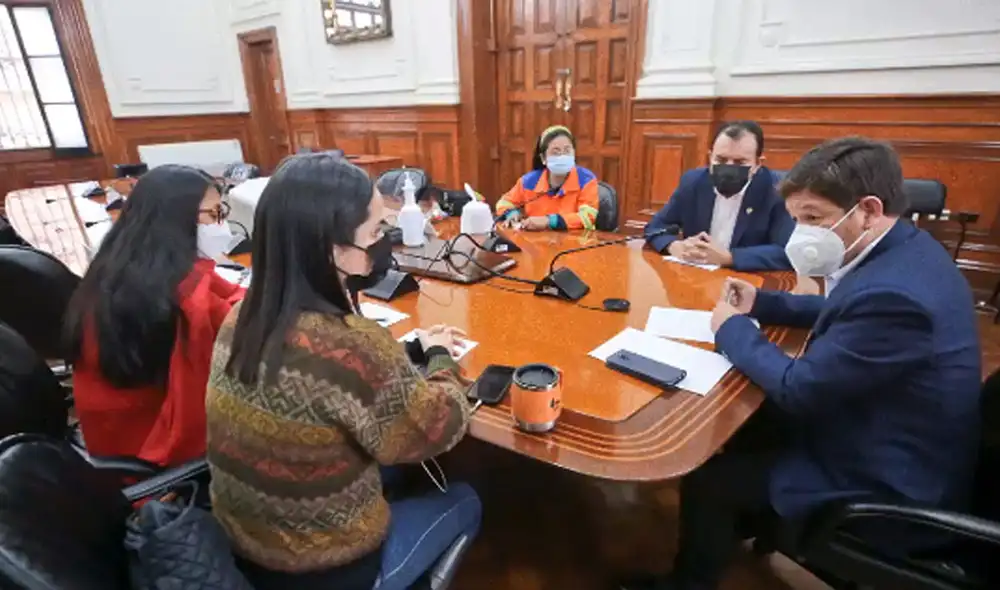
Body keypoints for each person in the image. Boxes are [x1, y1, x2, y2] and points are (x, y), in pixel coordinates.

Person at [622, 137, 982, 590]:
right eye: (797, 220)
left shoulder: (896, 296)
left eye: (813, 219)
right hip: (886, 430)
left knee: (711, 479)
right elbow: (847, 310)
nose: (801, 234)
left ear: (868, 209)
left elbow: (799, 389)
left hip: (886, 481)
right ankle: (731, 533)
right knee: (742, 423)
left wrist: (731, 328)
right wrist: (762, 303)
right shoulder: (906, 250)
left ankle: (688, 581)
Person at [206, 153, 481, 590]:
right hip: (326, 571)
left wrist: (397, 358)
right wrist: (441, 360)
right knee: (466, 499)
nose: (384, 240)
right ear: (329, 247)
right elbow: (438, 428)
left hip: (242, 548)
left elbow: (326, 388)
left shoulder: (240, 317)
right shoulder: (353, 343)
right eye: (375, 231)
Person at [65, 165, 244, 466]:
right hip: (152, 460)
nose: (221, 226)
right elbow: (200, 418)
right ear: (175, 223)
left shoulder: (125, 268)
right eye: (213, 215)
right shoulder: (186, 301)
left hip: (109, 438)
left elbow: (229, 294)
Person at [644, 121, 793, 271]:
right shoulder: (693, 182)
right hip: (696, 275)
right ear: (710, 157)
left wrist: (730, 257)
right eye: (720, 160)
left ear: (758, 164)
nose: (728, 167)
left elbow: (785, 251)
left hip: (750, 280)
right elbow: (656, 227)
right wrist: (674, 246)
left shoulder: (778, 191)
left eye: (740, 162)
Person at [496, 125, 600, 231]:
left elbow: (587, 217)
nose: (562, 156)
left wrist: (549, 221)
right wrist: (511, 213)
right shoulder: (529, 182)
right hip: (538, 241)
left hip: (577, 243)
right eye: (556, 152)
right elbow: (504, 203)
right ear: (543, 158)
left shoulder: (586, 179)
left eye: (567, 151)